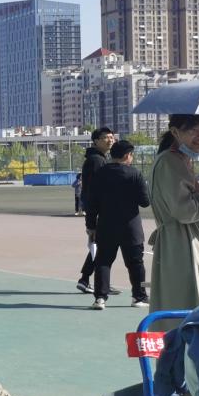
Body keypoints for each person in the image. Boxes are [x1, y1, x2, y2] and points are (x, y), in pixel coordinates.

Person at [148, 115, 199, 322]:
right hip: (185, 246)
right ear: (175, 132)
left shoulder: (179, 160)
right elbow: (187, 212)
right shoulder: (170, 161)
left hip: (189, 242)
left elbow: (192, 205)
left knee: (196, 312)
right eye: (194, 130)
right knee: (191, 313)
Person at [86, 139, 149, 310]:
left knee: (103, 262)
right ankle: (139, 296)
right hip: (131, 227)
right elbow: (145, 202)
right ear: (128, 155)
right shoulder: (135, 173)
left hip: (106, 226)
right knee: (136, 263)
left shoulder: (100, 173)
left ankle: (100, 298)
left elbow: (91, 203)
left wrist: (90, 225)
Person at [77, 127, 117, 294]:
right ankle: (91, 281)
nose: (110, 140)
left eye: (112, 137)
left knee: (102, 246)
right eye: (106, 137)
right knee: (104, 247)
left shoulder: (98, 159)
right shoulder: (96, 161)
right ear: (96, 141)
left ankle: (87, 280)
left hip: (99, 211)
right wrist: (91, 221)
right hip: (101, 212)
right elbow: (93, 191)